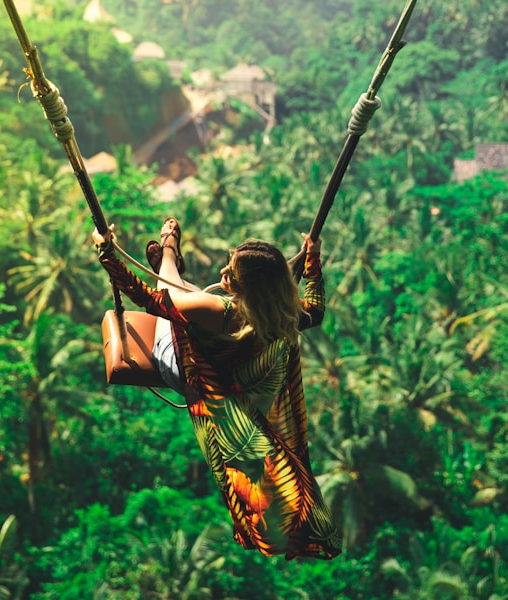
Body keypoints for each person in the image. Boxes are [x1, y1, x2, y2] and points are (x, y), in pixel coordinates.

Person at [93, 217, 341, 560]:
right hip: (238, 379)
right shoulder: (285, 313)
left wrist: (106, 250)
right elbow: (315, 308)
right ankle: (172, 268)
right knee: (191, 301)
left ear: (248, 288)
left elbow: (150, 300)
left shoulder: (223, 311)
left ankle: (169, 256)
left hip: (192, 372)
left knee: (177, 300)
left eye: (231, 272)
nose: (224, 271)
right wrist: (312, 259)